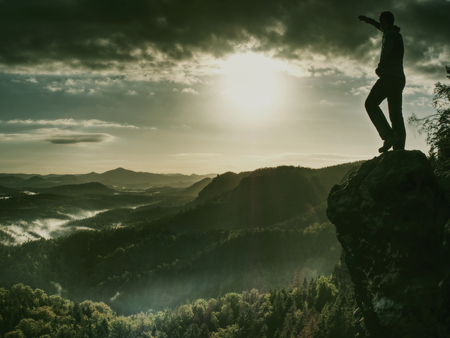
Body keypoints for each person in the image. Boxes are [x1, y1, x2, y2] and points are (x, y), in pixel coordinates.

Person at [358, 11, 406, 153]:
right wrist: (369, 21)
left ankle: (389, 135)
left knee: (370, 104)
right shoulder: (395, 33)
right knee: (396, 115)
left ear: (385, 20)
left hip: (389, 76)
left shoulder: (389, 35)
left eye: (381, 21)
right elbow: (380, 27)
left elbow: (387, 51)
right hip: (399, 78)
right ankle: (399, 149)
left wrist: (380, 68)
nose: (380, 24)